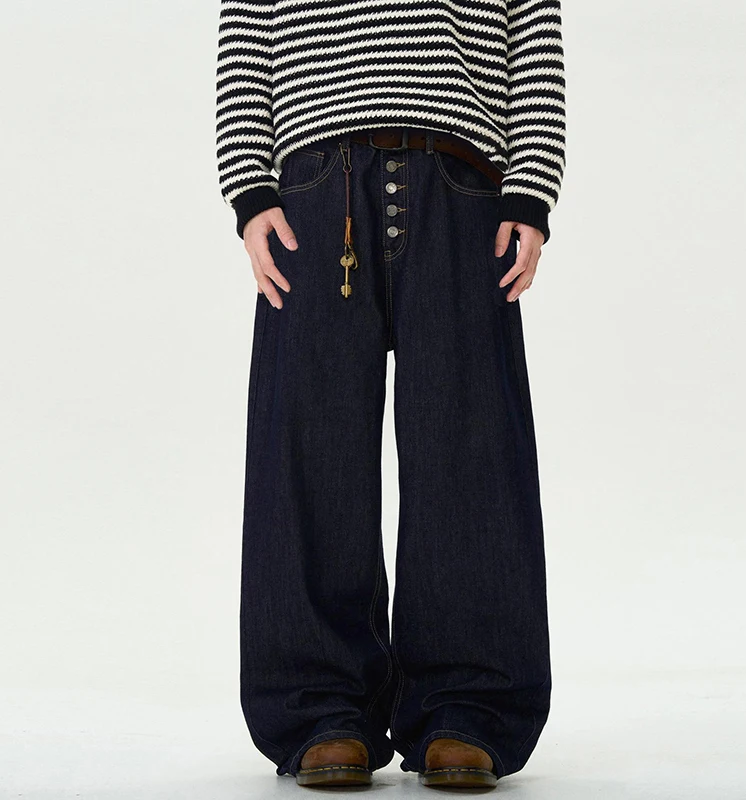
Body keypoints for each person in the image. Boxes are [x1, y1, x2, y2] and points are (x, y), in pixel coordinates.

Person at [215, 0, 566, 789]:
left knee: (470, 447)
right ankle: (319, 706)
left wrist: (531, 185)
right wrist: (249, 186)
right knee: (308, 447)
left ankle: (469, 705)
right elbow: (245, 30)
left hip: (464, 178)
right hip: (313, 181)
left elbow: (534, 31)